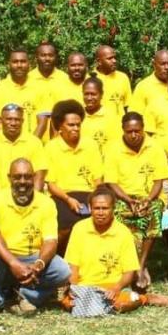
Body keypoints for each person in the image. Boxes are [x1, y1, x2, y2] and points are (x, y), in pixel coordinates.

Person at [0, 159, 71, 317]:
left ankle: (25, 295)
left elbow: (50, 240)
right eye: (17, 177)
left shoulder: (46, 203)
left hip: (32, 258)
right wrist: (13, 263)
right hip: (3, 257)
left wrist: (38, 265)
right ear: (9, 178)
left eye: (27, 177)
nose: (22, 182)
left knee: (62, 271)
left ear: (34, 177)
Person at [62, 188, 168, 316]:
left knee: (121, 304)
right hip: (85, 285)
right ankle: (97, 304)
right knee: (69, 304)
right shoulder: (79, 228)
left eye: (105, 208)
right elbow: (72, 265)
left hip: (112, 287)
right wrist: (74, 289)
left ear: (113, 209)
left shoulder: (123, 232)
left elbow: (129, 272)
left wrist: (116, 287)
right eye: (97, 208)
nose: (101, 213)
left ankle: (143, 299)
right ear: (90, 209)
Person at [104, 111, 168, 290]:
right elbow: (111, 181)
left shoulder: (154, 147)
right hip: (123, 197)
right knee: (117, 215)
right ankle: (126, 266)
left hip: (150, 196)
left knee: (153, 213)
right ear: (123, 130)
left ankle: (140, 265)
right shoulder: (113, 148)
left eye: (137, 131)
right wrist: (128, 200)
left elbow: (159, 181)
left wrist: (148, 200)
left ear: (143, 129)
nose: (134, 135)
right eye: (129, 131)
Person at [44, 100, 103, 256]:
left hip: (88, 194)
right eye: (71, 125)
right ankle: (56, 261)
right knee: (65, 226)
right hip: (63, 196)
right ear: (60, 127)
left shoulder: (90, 145)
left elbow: (98, 180)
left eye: (78, 124)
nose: (76, 128)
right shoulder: (51, 148)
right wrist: (68, 199)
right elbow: (51, 185)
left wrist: (94, 199)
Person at [0, 104, 48, 193]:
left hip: (27, 198)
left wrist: (31, 201)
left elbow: (39, 178)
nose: (13, 123)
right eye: (9, 119)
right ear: (0, 121)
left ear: (22, 121)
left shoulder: (34, 143)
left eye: (17, 120)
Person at [0, 49, 50, 137]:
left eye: (23, 61)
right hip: (4, 148)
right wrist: (4, 143)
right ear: (8, 65)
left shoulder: (41, 88)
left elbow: (42, 123)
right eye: (15, 62)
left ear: (29, 64)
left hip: (33, 147)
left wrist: (30, 145)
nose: (19, 65)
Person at [80, 75, 120, 158]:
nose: (89, 98)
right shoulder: (78, 117)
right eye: (86, 94)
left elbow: (118, 144)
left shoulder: (112, 117)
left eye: (93, 94)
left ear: (101, 94)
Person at [130, 49, 168, 115]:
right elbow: (135, 117)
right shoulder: (143, 87)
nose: (167, 67)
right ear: (154, 64)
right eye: (163, 64)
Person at [94, 45, 131, 121]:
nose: (114, 61)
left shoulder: (123, 78)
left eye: (114, 57)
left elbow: (128, 106)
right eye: (109, 58)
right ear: (99, 61)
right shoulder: (90, 79)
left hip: (119, 128)